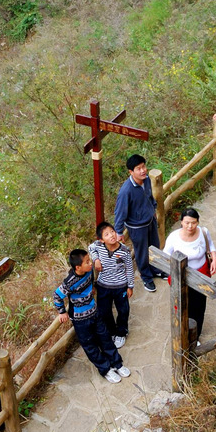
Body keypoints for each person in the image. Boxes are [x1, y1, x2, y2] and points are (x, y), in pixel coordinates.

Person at [54, 249, 129, 383]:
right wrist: (62, 312)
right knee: (90, 346)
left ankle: (117, 363)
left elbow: (91, 281)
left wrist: (92, 287)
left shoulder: (88, 272)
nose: (91, 263)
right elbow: (57, 296)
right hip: (80, 320)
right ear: (78, 267)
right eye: (87, 262)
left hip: (95, 312)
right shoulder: (69, 282)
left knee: (105, 338)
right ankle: (106, 369)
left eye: (90, 260)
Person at [163, 207, 216, 340]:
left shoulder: (203, 232)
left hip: (201, 274)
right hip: (182, 276)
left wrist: (214, 260)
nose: (190, 226)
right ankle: (181, 332)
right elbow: (165, 256)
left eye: (193, 222)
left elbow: (210, 246)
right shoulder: (174, 238)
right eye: (187, 222)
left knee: (199, 306)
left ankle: (196, 335)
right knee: (182, 304)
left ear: (198, 222)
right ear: (181, 222)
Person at [113, 153, 161, 293]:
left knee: (154, 247)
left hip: (150, 220)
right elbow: (120, 212)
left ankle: (156, 270)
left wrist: (153, 208)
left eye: (143, 166)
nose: (143, 170)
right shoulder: (126, 191)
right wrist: (119, 231)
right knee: (141, 253)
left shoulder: (146, 180)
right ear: (131, 172)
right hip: (137, 226)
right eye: (138, 168)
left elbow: (149, 196)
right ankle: (146, 277)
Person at [88, 220, 134, 350]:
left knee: (123, 310)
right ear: (102, 240)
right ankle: (112, 332)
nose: (112, 235)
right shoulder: (98, 246)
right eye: (107, 234)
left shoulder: (124, 250)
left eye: (112, 232)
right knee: (104, 311)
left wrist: (130, 286)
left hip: (120, 286)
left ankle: (121, 332)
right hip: (103, 286)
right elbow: (90, 247)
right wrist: (96, 259)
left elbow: (129, 269)